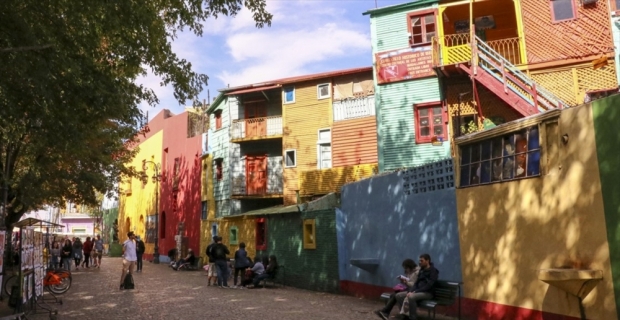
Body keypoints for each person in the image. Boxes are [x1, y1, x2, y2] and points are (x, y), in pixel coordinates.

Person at [395, 254, 439, 320]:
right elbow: (416, 283)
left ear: (427, 261)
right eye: (419, 261)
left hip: (428, 293)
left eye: (422, 261)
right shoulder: (421, 270)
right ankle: (405, 315)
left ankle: (412, 317)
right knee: (399, 295)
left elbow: (429, 285)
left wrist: (414, 292)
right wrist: (411, 291)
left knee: (411, 297)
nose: (420, 262)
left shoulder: (433, 271)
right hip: (418, 291)